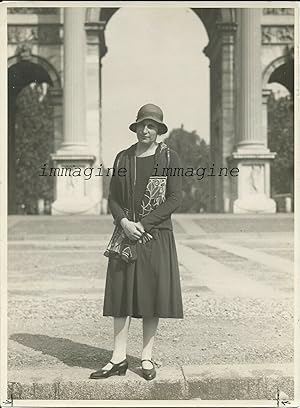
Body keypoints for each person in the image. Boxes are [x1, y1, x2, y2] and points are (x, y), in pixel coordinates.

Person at [90, 103, 183, 381]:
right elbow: (113, 199)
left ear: (159, 130)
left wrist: (143, 224)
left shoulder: (169, 158)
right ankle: (117, 358)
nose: (146, 129)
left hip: (155, 235)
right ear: (136, 127)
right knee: (122, 296)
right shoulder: (122, 158)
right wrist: (124, 223)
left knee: (150, 296)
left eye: (152, 126)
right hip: (126, 234)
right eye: (142, 124)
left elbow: (175, 198)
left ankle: (145, 357)